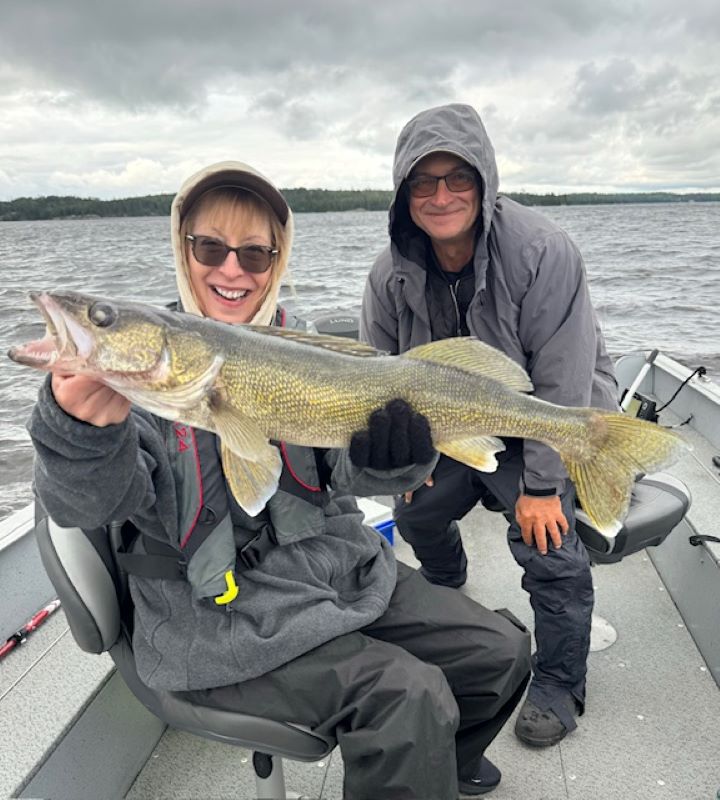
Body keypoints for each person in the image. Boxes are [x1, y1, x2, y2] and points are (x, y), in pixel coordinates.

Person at [27, 160, 531, 798]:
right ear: (184, 252)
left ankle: (434, 771)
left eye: (256, 253)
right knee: (409, 697)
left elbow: (348, 475)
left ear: (277, 260)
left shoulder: (306, 351)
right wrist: (81, 433)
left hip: (328, 573)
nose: (232, 269)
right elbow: (88, 502)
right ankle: (416, 758)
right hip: (211, 619)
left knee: (500, 651)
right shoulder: (131, 395)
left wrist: (395, 459)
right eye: (210, 247)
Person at [360, 104, 619, 748]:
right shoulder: (386, 275)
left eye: (458, 178)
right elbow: (379, 384)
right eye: (423, 182)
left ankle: (559, 680)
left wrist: (539, 485)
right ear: (403, 194)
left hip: (550, 420)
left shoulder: (543, 251)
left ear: (485, 180)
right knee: (415, 512)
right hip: (451, 425)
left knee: (549, 544)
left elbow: (562, 380)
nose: (441, 196)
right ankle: (445, 588)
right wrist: (408, 468)